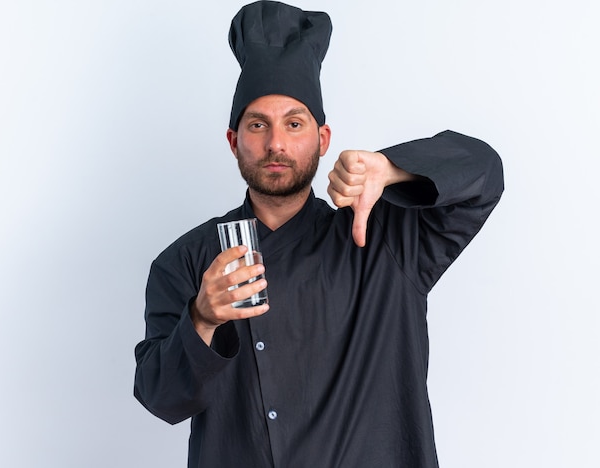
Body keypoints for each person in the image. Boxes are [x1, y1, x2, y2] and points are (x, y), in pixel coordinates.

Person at [134, 1, 504, 467]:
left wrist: (390, 168)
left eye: (294, 123)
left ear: (323, 139)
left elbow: (485, 171)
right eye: (257, 125)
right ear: (234, 142)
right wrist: (202, 318)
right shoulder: (186, 262)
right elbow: (161, 399)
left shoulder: (384, 237)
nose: (276, 144)